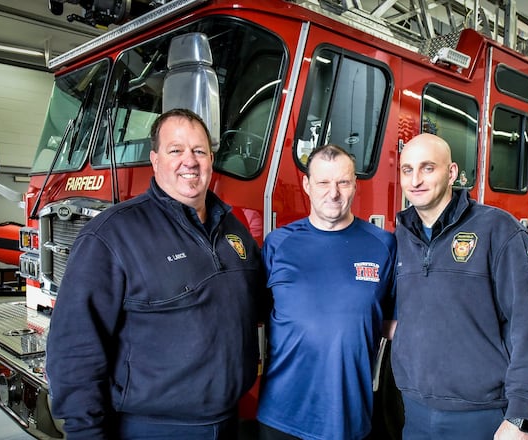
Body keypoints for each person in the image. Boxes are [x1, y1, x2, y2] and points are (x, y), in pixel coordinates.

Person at [46, 108, 265, 440]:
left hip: (228, 422)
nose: (189, 161)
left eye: (199, 151)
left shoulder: (233, 228)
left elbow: (259, 305)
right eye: (175, 150)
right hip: (153, 428)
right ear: (155, 160)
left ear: (211, 159)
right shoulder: (112, 234)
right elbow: (75, 349)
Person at [391, 133, 528, 440]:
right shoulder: (401, 237)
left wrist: (521, 416)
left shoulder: (498, 230)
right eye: (407, 169)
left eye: (428, 168)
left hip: (481, 415)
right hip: (415, 410)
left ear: (452, 172)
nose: (415, 179)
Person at [256, 144, 397, 440]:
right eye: (323, 182)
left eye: (343, 182)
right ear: (307, 184)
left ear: (355, 186)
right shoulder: (277, 244)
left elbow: (394, 324)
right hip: (281, 417)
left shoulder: (383, 245)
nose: (333, 193)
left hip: (349, 418)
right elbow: (258, 314)